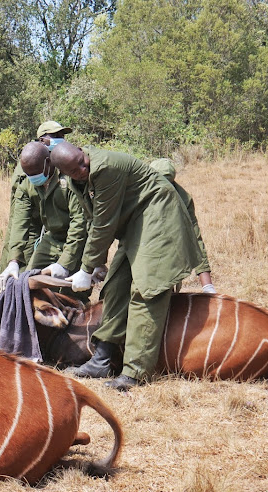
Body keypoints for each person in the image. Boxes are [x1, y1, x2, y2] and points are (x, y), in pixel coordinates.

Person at [50, 141, 203, 391]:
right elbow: (92, 220)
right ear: (64, 174)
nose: (82, 168)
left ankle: (134, 372)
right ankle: (102, 359)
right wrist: (97, 263)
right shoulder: (79, 181)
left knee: (146, 289)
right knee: (115, 285)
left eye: (82, 161)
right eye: (75, 170)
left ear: (81, 149)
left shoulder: (105, 167)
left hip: (159, 215)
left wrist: (87, 268)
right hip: (136, 222)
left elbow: (103, 224)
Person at [0, 142, 103, 304]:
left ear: (48, 162)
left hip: (79, 242)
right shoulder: (27, 184)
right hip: (51, 239)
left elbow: (79, 225)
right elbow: (20, 223)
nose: (33, 178)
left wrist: (64, 264)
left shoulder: (68, 179)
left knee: (72, 294)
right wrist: (13, 262)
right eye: (29, 174)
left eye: (36, 173)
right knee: (31, 283)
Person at [0, 121, 72, 274]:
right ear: (41, 140)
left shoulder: (64, 161)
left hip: (57, 227)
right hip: (32, 222)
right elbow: (19, 218)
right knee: (24, 271)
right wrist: (13, 260)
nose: (60, 139)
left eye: (61, 135)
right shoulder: (28, 163)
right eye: (55, 136)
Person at [149, 158, 215, 294]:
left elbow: (195, 238)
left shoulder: (183, 199)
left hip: (168, 263)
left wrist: (207, 286)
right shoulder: (138, 195)